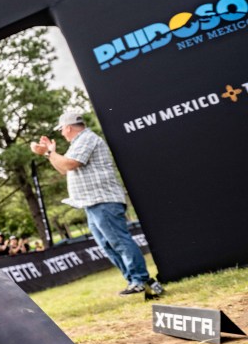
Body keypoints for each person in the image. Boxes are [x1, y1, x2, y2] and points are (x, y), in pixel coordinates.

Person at [31, 110, 164, 297]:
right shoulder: (78, 142)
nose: (61, 133)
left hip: (102, 200)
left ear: (68, 128)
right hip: (92, 203)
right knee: (108, 245)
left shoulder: (86, 138)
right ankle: (133, 280)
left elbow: (69, 164)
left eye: (61, 129)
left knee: (118, 241)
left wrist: (49, 152)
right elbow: (63, 169)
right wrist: (49, 153)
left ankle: (141, 280)